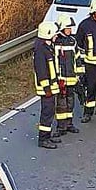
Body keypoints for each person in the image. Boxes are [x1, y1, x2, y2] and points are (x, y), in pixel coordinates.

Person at [33, 20, 61, 149]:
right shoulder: (41, 50)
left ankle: (47, 136)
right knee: (47, 112)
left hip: (51, 86)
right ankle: (43, 139)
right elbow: (41, 71)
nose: (56, 36)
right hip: (46, 88)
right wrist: (46, 88)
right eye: (55, 34)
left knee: (50, 111)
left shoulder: (48, 47)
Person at [53, 15, 80, 136]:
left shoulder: (72, 41)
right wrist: (56, 78)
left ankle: (69, 124)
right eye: (68, 28)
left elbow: (78, 58)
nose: (70, 30)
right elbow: (53, 61)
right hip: (61, 79)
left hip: (72, 77)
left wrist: (79, 75)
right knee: (61, 103)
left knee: (70, 101)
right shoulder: (56, 42)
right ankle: (61, 126)